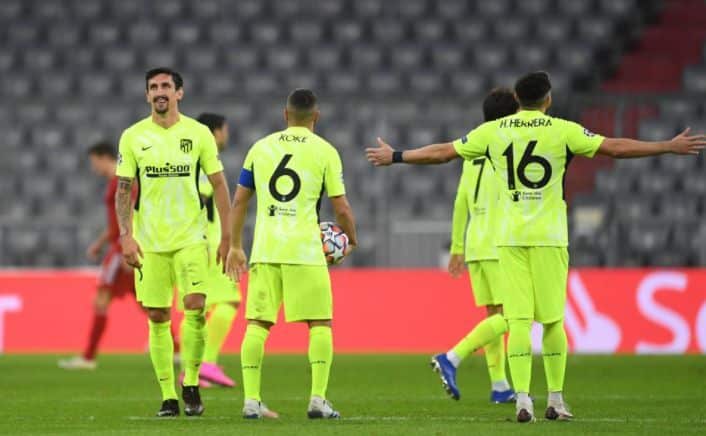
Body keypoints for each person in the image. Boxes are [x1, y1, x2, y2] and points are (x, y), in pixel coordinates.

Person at [366, 71, 705, 423]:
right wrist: (667, 145)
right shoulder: (563, 129)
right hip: (549, 237)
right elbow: (615, 148)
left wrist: (397, 156)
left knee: (517, 321)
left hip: (510, 239)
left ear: (518, 98)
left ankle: (523, 400)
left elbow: (443, 153)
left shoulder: (492, 131)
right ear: (548, 99)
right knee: (554, 321)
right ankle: (556, 400)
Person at [226, 89, 357, 420]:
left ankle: (251, 400)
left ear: (285, 116)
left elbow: (240, 201)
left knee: (257, 323)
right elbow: (340, 206)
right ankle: (317, 399)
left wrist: (236, 246)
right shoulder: (326, 151)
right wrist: (351, 238)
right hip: (306, 250)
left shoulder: (261, 147)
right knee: (320, 323)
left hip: (267, 249)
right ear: (316, 116)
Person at [116, 67, 231, 417]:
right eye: (153, 87)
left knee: (196, 306)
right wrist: (126, 236)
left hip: (191, 238)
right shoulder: (133, 136)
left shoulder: (197, 134)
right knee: (158, 315)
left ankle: (192, 383)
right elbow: (123, 190)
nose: (159, 91)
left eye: (166, 85)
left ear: (179, 93)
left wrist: (228, 236)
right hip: (150, 240)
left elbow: (220, 184)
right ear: (147, 95)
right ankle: (168, 395)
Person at [430, 89, 518, 404]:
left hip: (477, 243)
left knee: (494, 315)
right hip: (500, 243)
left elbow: (460, 202)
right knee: (516, 315)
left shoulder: (473, 153)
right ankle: (452, 357)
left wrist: (458, 247)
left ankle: (499, 385)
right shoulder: (507, 150)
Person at [177, 113, 241, 388]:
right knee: (228, 302)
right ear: (215, 133)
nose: (226, 136)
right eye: (224, 131)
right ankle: (207, 363)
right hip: (208, 246)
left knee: (196, 310)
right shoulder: (207, 166)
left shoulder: (185, 163)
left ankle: (189, 368)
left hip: (186, 245)